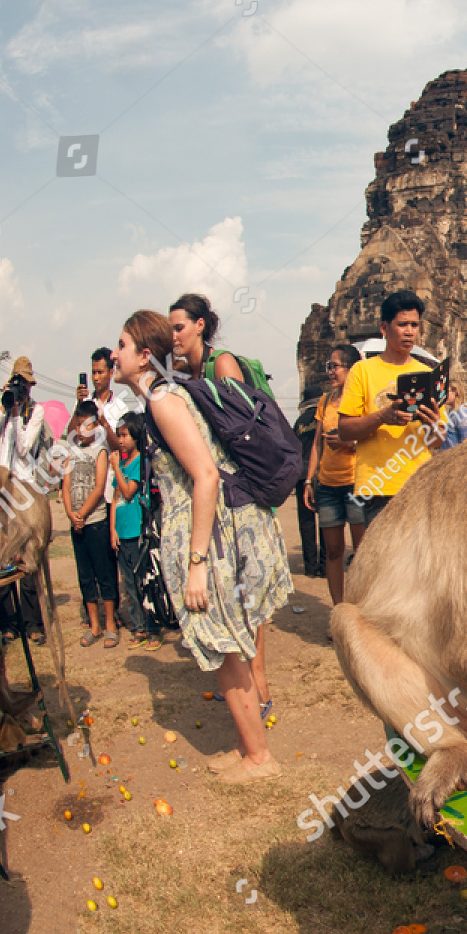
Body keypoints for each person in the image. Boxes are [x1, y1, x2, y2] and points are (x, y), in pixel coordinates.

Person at [114, 309, 291, 784]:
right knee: (232, 643)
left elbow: (206, 476)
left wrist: (195, 563)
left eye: (122, 346)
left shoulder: (163, 400)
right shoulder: (162, 397)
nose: (115, 355)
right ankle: (249, 746)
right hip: (211, 531)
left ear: (144, 355)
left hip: (210, 538)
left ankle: (260, 759)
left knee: (224, 644)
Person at [336, 290, 445, 525]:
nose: (409, 332)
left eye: (414, 325)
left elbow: (437, 440)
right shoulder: (362, 371)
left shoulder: (427, 375)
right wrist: (382, 416)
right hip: (377, 485)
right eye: (402, 324)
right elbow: (344, 430)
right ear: (384, 328)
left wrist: (433, 424)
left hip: (418, 484)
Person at [0, 356, 49, 644]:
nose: (22, 389)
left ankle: (31, 622)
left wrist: (15, 415)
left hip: (22, 491)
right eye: (18, 383)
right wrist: (2, 409)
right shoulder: (1, 405)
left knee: (24, 556)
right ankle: (7, 624)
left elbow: (23, 449)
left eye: (25, 384)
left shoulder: (34, 412)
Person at [304, 345, 366, 609]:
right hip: (327, 485)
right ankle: (339, 610)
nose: (330, 371)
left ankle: (361, 610)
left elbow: (371, 440)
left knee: (361, 553)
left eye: (335, 366)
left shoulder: (362, 402)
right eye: (329, 366)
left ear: (351, 369)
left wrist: (348, 443)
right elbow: (316, 444)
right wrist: (309, 480)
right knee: (333, 551)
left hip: (356, 481)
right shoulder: (325, 402)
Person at [63, 402, 118, 647]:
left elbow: (98, 487)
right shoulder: (70, 452)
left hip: (95, 521)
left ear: (95, 426)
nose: (81, 430)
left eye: (86, 425)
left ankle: (110, 625)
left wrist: (82, 514)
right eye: (78, 425)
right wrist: (70, 514)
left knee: (103, 572)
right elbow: (65, 486)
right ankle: (94, 625)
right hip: (77, 524)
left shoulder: (100, 451)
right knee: (85, 575)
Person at [109, 415, 161, 650]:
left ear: (136, 436)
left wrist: (115, 468)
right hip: (122, 533)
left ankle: (152, 629)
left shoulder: (140, 463)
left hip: (137, 532)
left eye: (124, 435)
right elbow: (115, 498)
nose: (120, 440)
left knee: (144, 583)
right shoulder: (121, 464)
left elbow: (128, 491)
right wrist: (112, 530)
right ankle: (138, 628)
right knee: (129, 584)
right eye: (118, 435)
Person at [168, 294, 250, 385]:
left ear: (200, 325)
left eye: (179, 328)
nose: (173, 337)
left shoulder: (222, 363)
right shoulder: (184, 373)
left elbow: (237, 398)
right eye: (170, 331)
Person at [292, 383, 325, 578]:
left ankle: (310, 566)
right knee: (325, 523)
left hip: (301, 474)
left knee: (306, 522)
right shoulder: (324, 417)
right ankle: (325, 566)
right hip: (320, 473)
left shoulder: (299, 422)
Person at [441, 383, 467, 448]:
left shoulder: (461, 411)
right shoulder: (451, 411)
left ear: (455, 392)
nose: (443, 395)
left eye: (446, 391)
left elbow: (465, 439)